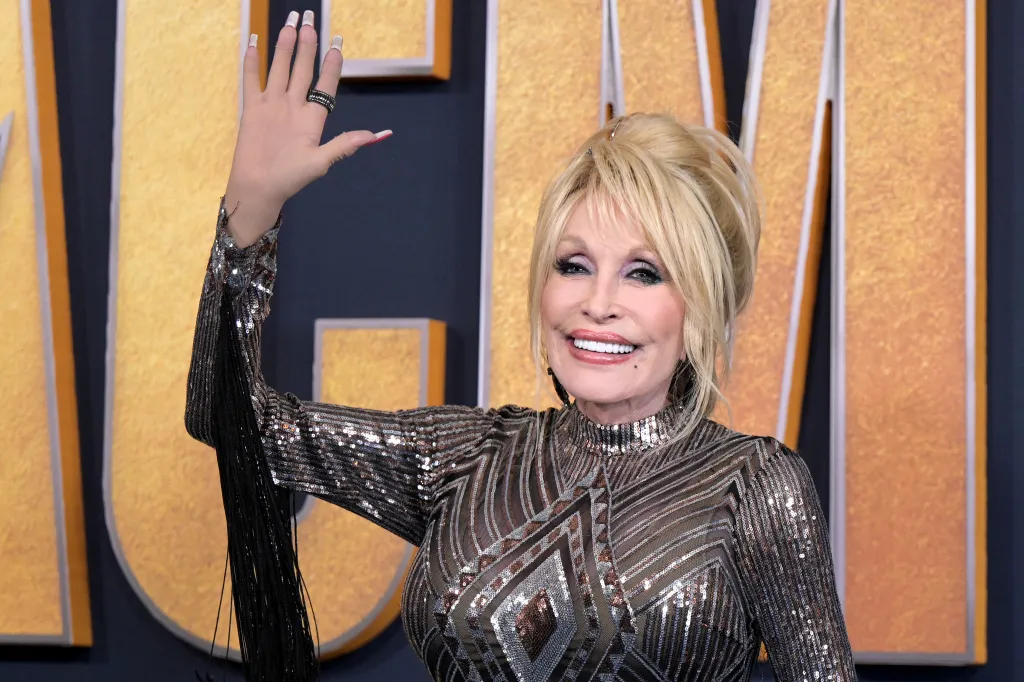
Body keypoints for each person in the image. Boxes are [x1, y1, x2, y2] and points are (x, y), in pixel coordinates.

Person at [185, 8, 857, 682]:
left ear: (703, 307)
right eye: (573, 265)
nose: (597, 303)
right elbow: (233, 420)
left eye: (644, 273)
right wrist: (251, 214)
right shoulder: (468, 458)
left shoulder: (754, 487)